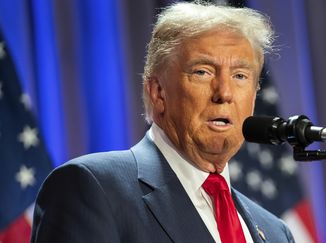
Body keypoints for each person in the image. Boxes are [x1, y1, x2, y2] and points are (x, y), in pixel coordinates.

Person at [31, 2, 295, 243]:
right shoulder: (91, 189)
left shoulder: (274, 232)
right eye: (202, 72)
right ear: (158, 93)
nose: (224, 93)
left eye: (240, 75)